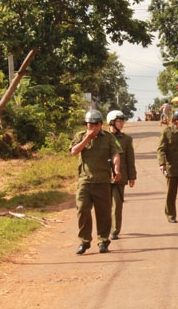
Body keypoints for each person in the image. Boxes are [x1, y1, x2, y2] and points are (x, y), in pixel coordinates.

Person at [70, 109, 122, 254]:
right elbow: (74, 151)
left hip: (103, 181)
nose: (92, 127)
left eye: (95, 124)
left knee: (104, 213)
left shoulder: (109, 137)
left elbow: (116, 154)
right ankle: (84, 241)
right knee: (82, 210)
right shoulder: (80, 136)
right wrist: (87, 138)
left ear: (100, 124)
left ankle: (103, 241)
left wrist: (116, 170)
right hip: (85, 181)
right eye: (89, 124)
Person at [107, 110, 137, 240]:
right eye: (119, 121)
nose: (122, 124)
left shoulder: (127, 139)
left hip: (120, 177)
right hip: (103, 177)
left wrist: (132, 176)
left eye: (122, 121)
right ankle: (104, 230)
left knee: (117, 205)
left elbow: (130, 159)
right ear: (112, 122)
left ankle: (115, 230)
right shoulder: (102, 137)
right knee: (104, 206)